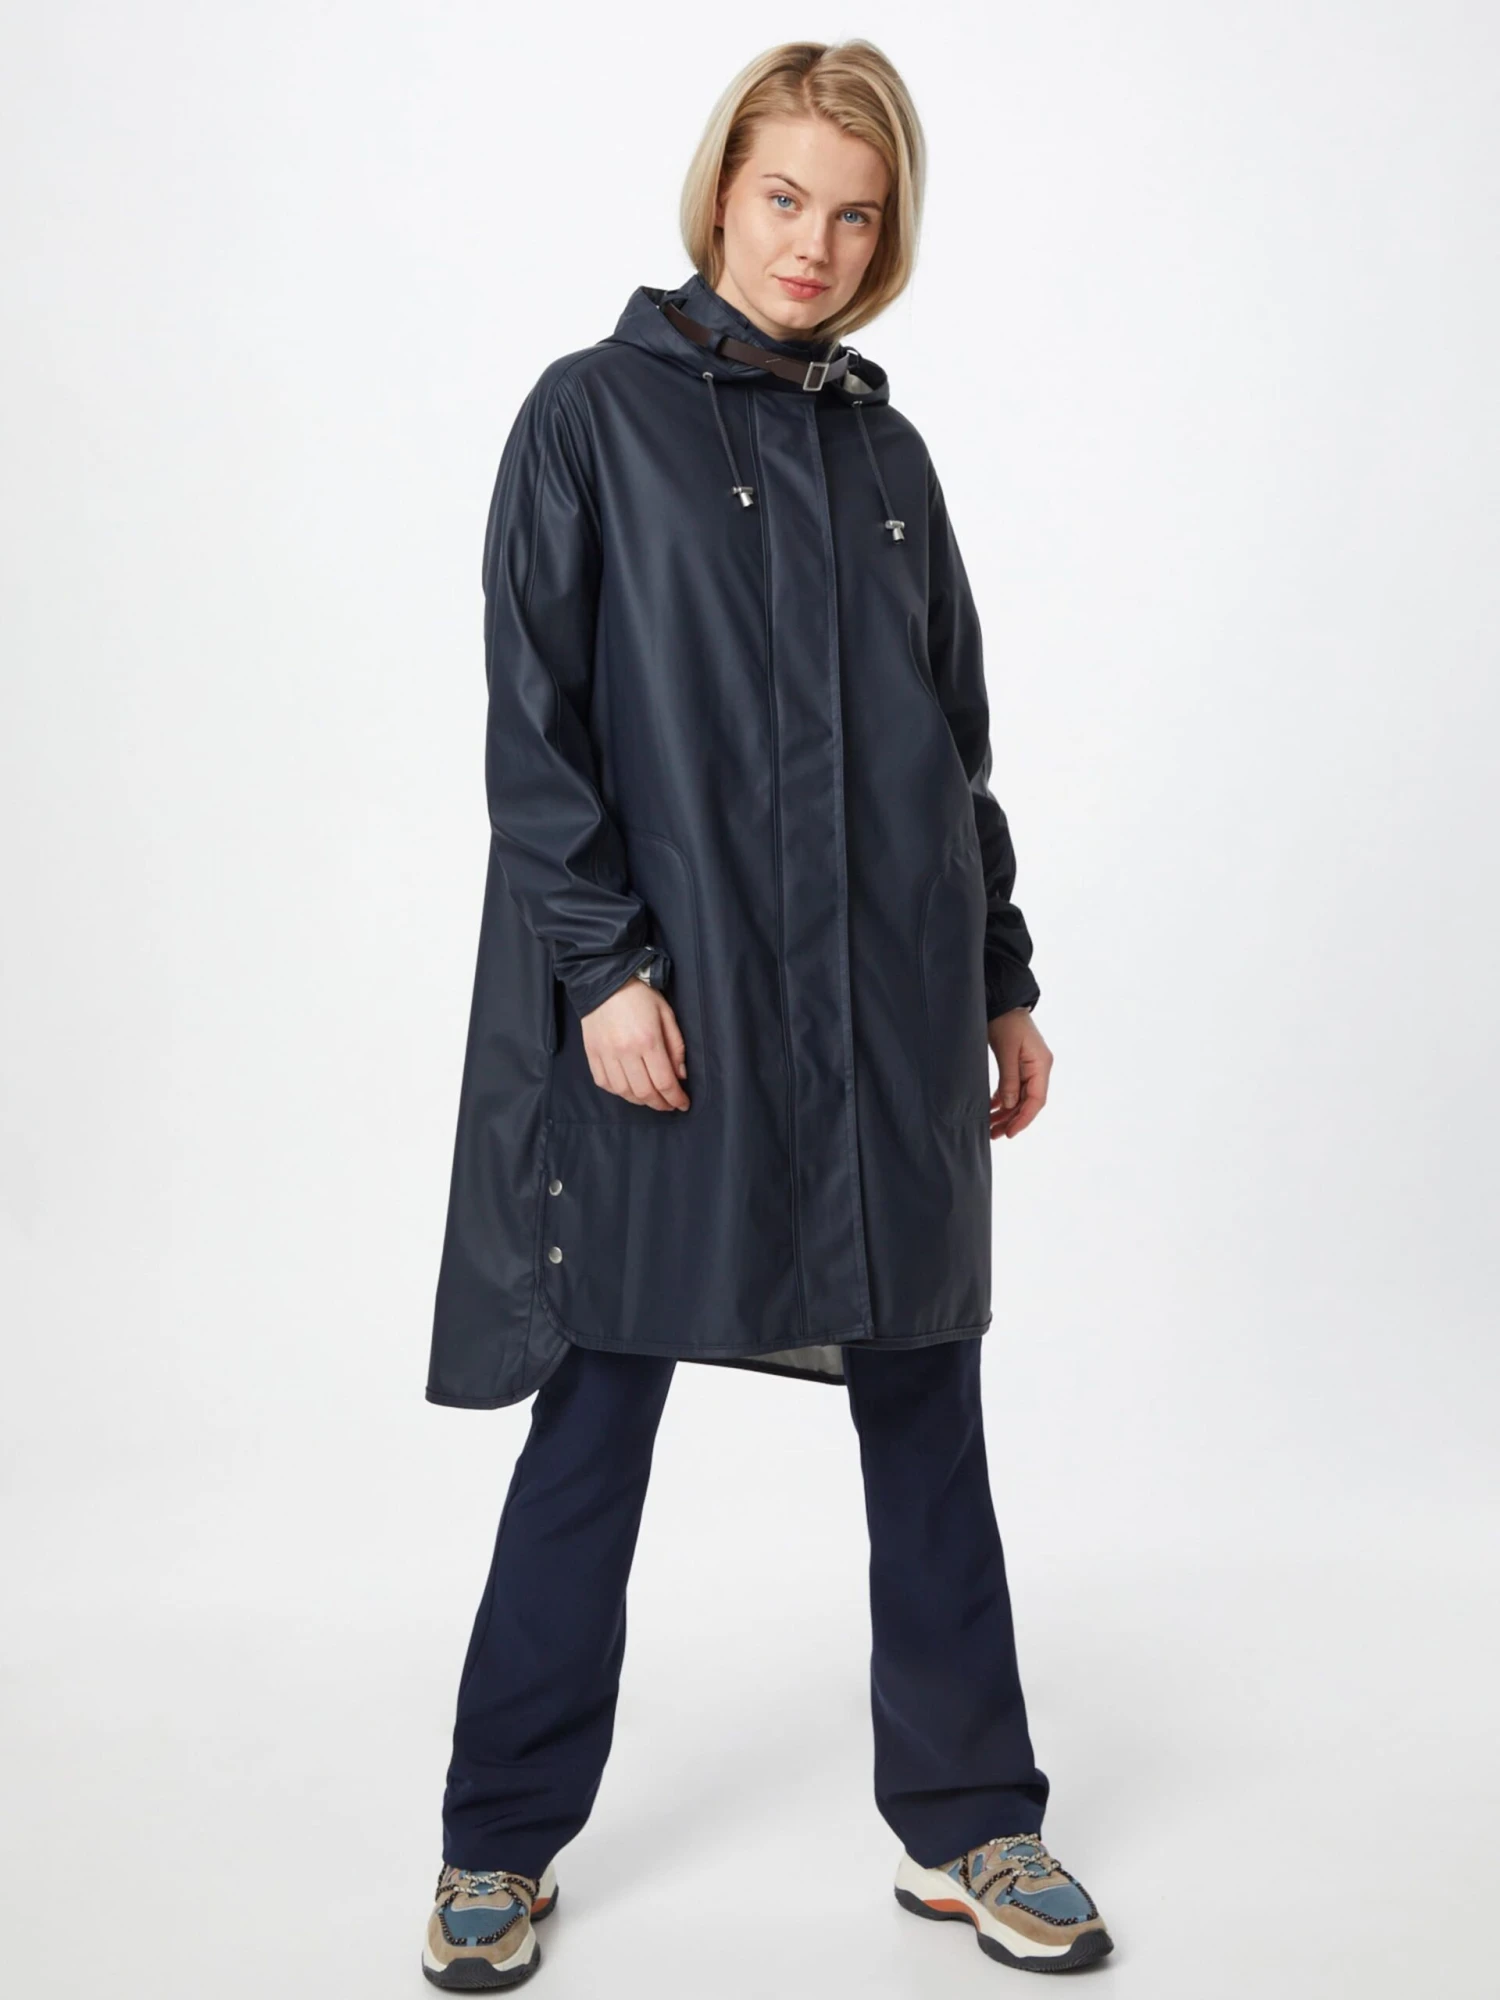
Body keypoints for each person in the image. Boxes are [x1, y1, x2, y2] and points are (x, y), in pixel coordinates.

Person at [419, 37, 1114, 1988]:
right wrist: (604, 970)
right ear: (722, 188)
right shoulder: (590, 421)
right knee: (597, 1415)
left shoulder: (891, 460)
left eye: (856, 214)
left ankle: (969, 1821)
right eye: (786, 195)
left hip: (889, 1017)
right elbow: (538, 736)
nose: (814, 243)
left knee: (928, 1409)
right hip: (683, 1014)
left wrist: (1002, 979)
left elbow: (951, 752)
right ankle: (497, 1840)